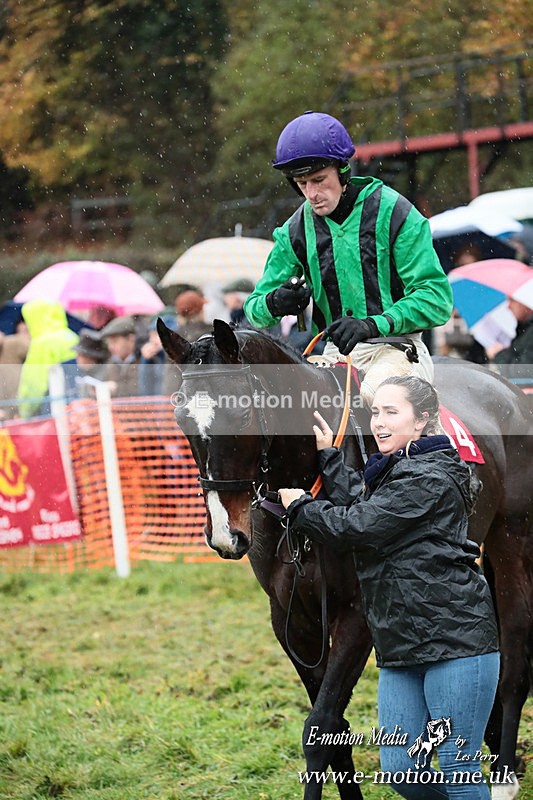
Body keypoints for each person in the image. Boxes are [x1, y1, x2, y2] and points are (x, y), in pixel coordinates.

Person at [279, 376, 499, 800]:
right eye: (375, 412)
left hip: (456, 645)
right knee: (402, 773)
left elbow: (358, 526)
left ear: (421, 421)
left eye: (391, 412)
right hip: (400, 645)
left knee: (458, 768)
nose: (378, 422)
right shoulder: (396, 472)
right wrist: (330, 458)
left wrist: (302, 508)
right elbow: (366, 505)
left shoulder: (431, 476)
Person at [244, 111, 453, 404]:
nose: (312, 194)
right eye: (302, 183)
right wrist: (275, 302)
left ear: (343, 171)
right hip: (334, 355)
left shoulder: (397, 214)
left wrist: (373, 324)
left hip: (398, 348)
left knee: (373, 399)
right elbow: (253, 309)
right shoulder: (294, 231)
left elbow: (436, 299)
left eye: (319, 180)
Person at [17, 299, 79, 417]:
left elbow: (35, 383)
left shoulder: (42, 343)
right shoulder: (71, 336)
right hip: (76, 403)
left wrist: (24, 412)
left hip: (52, 407)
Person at [490, 295, 533, 382]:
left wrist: (499, 353)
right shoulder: (524, 329)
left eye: (512, 300)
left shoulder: (530, 332)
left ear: (525, 301)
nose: (508, 306)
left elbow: (524, 374)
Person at [61, 327, 110, 400]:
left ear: (91, 357)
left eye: (81, 355)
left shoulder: (106, 374)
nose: (77, 357)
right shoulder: (80, 372)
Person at [99, 315, 141, 397]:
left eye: (114, 341)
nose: (110, 347)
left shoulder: (145, 360)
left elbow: (144, 390)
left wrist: (116, 389)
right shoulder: (110, 364)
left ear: (131, 339)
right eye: (108, 343)